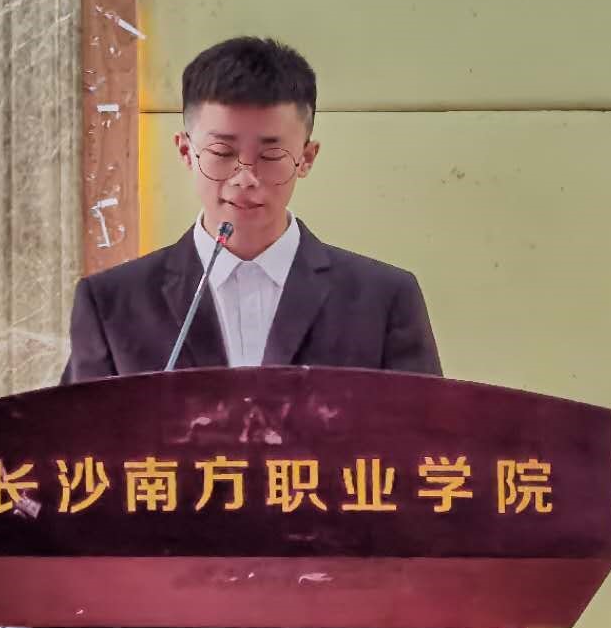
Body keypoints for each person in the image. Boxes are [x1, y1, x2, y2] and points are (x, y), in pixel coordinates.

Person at [63, 36, 441, 382]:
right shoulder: (111, 303)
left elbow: (425, 432)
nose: (245, 178)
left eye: (271, 155)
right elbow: (78, 433)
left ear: (306, 158)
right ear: (186, 152)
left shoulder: (382, 300)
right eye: (222, 152)